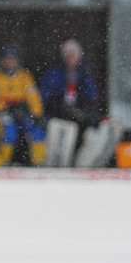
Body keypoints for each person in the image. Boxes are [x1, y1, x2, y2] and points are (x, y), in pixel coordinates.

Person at [39, 39, 102, 167]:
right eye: (68, 55)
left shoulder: (84, 74)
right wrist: (60, 107)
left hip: (78, 115)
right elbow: (46, 96)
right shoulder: (54, 73)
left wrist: (84, 112)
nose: (70, 58)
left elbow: (91, 97)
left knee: (89, 131)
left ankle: (79, 163)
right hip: (57, 114)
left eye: (73, 55)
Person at [0, 46, 45, 166]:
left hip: (21, 114)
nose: (9, 62)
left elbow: (33, 98)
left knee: (36, 131)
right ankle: (4, 162)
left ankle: (38, 163)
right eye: (7, 59)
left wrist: (37, 114)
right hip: (2, 114)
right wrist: (5, 108)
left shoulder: (24, 77)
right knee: (9, 130)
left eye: (12, 59)